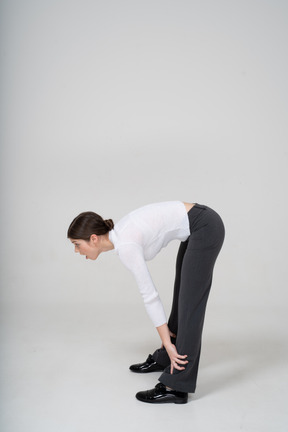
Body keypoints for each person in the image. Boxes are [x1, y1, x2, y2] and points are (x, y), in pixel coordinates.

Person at [67, 201, 225, 404]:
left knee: (190, 305)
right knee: (182, 295)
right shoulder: (121, 235)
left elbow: (149, 295)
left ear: (94, 238)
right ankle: (168, 358)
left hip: (205, 226)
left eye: (77, 245)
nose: (77, 251)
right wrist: (166, 340)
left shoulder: (126, 246)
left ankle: (176, 386)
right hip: (197, 225)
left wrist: (166, 342)